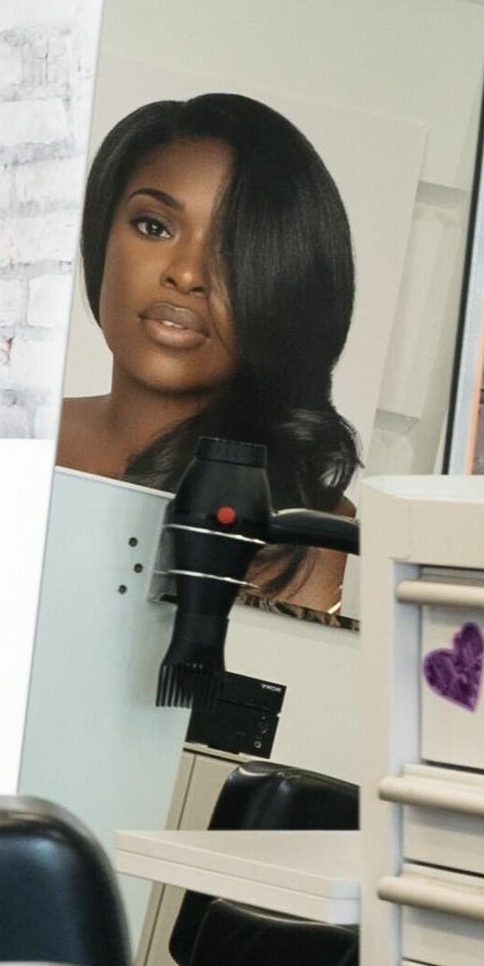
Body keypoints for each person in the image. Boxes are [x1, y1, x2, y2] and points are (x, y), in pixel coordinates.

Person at [53, 92, 361, 614]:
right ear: (101, 238)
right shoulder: (10, 440)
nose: (188, 274)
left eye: (233, 250)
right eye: (154, 226)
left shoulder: (312, 532)